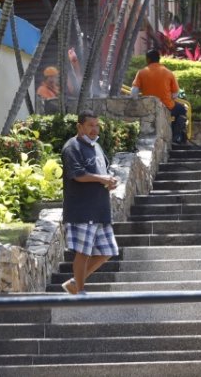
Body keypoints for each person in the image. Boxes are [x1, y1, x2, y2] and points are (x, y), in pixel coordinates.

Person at [61, 111, 119, 294]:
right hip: (82, 209)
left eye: (97, 125)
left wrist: (109, 181)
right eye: (90, 125)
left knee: (107, 250)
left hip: (100, 209)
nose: (94, 129)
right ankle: (79, 290)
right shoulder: (72, 147)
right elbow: (78, 175)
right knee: (83, 252)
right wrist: (102, 179)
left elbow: (101, 172)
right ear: (80, 126)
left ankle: (74, 283)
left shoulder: (96, 146)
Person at [132, 49, 188, 144]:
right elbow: (175, 94)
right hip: (167, 106)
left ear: (148, 59)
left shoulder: (141, 72)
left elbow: (133, 93)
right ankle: (175, 135)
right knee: (182, 110)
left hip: (148, 107)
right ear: (159, 59)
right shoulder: (168, 72)